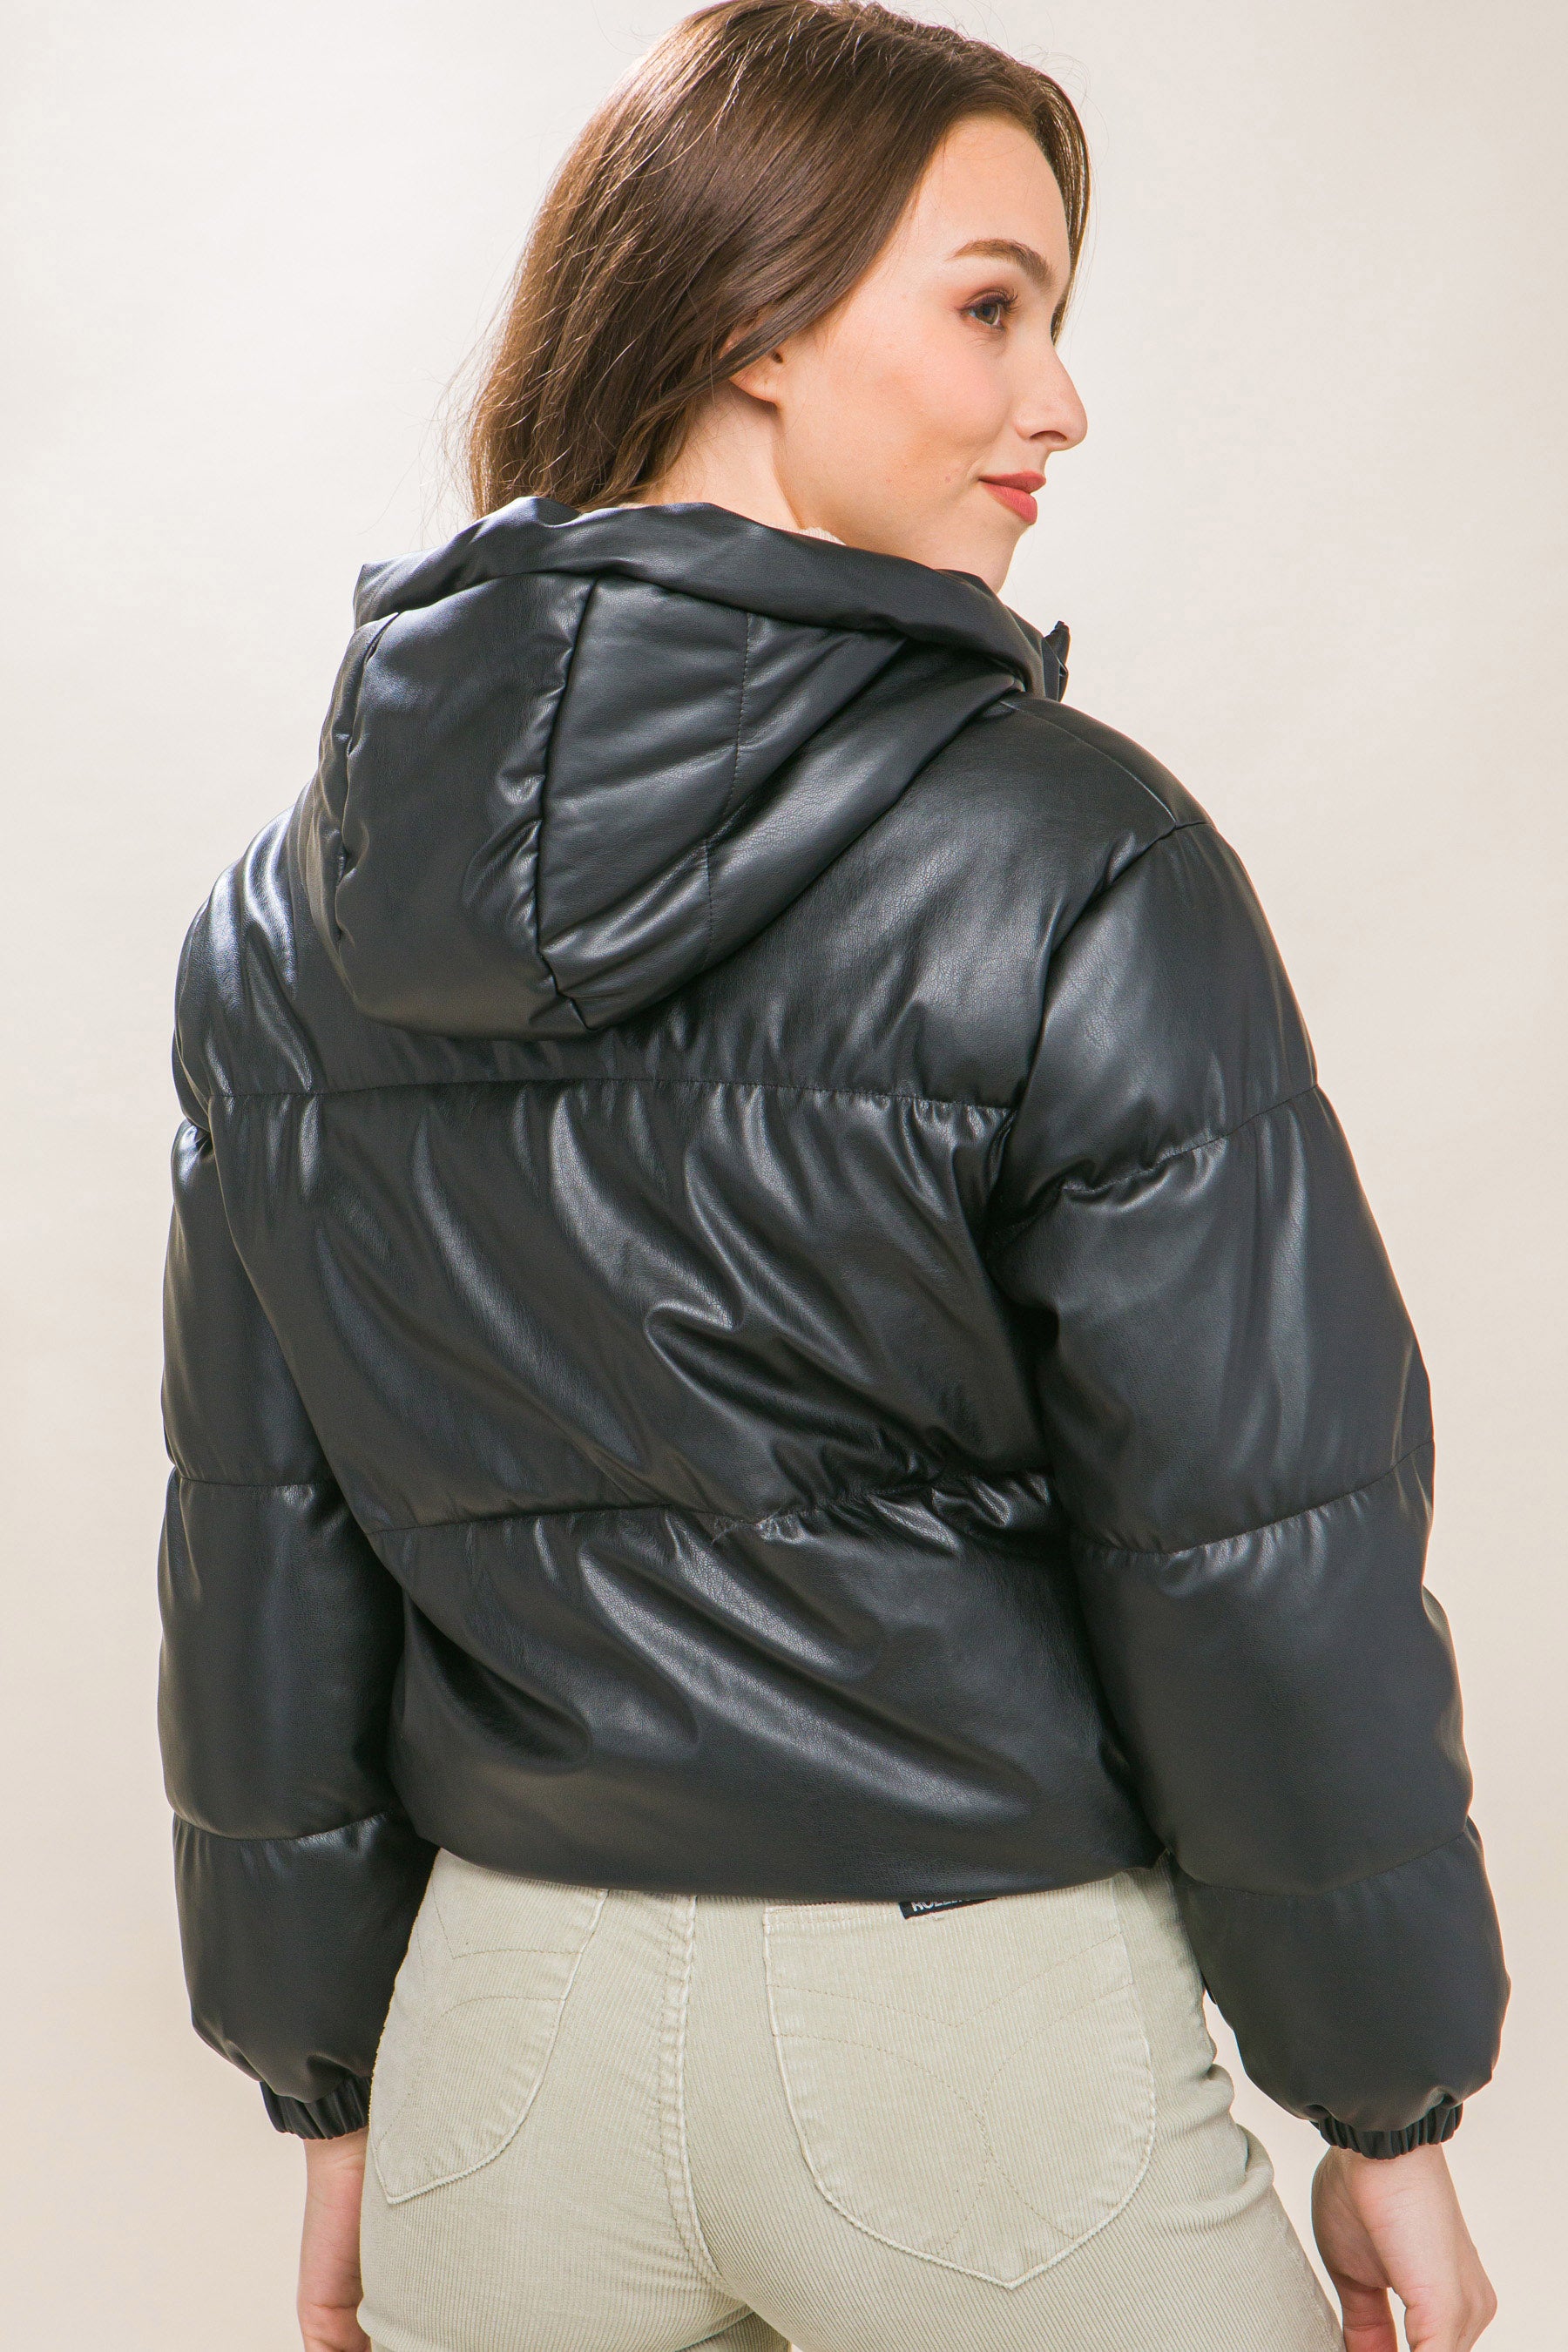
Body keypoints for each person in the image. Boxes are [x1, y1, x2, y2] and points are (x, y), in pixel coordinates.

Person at [156, 5, 1510, 2349]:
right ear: (753, 317)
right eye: (992, 304)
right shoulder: (1077, 855)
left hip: (504, 2064)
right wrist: (1382, 2101)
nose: (1058, 398)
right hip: (973, 2048)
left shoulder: (278, 922)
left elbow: (261, 1560)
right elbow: (1251, 1540)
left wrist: (334, 2100)